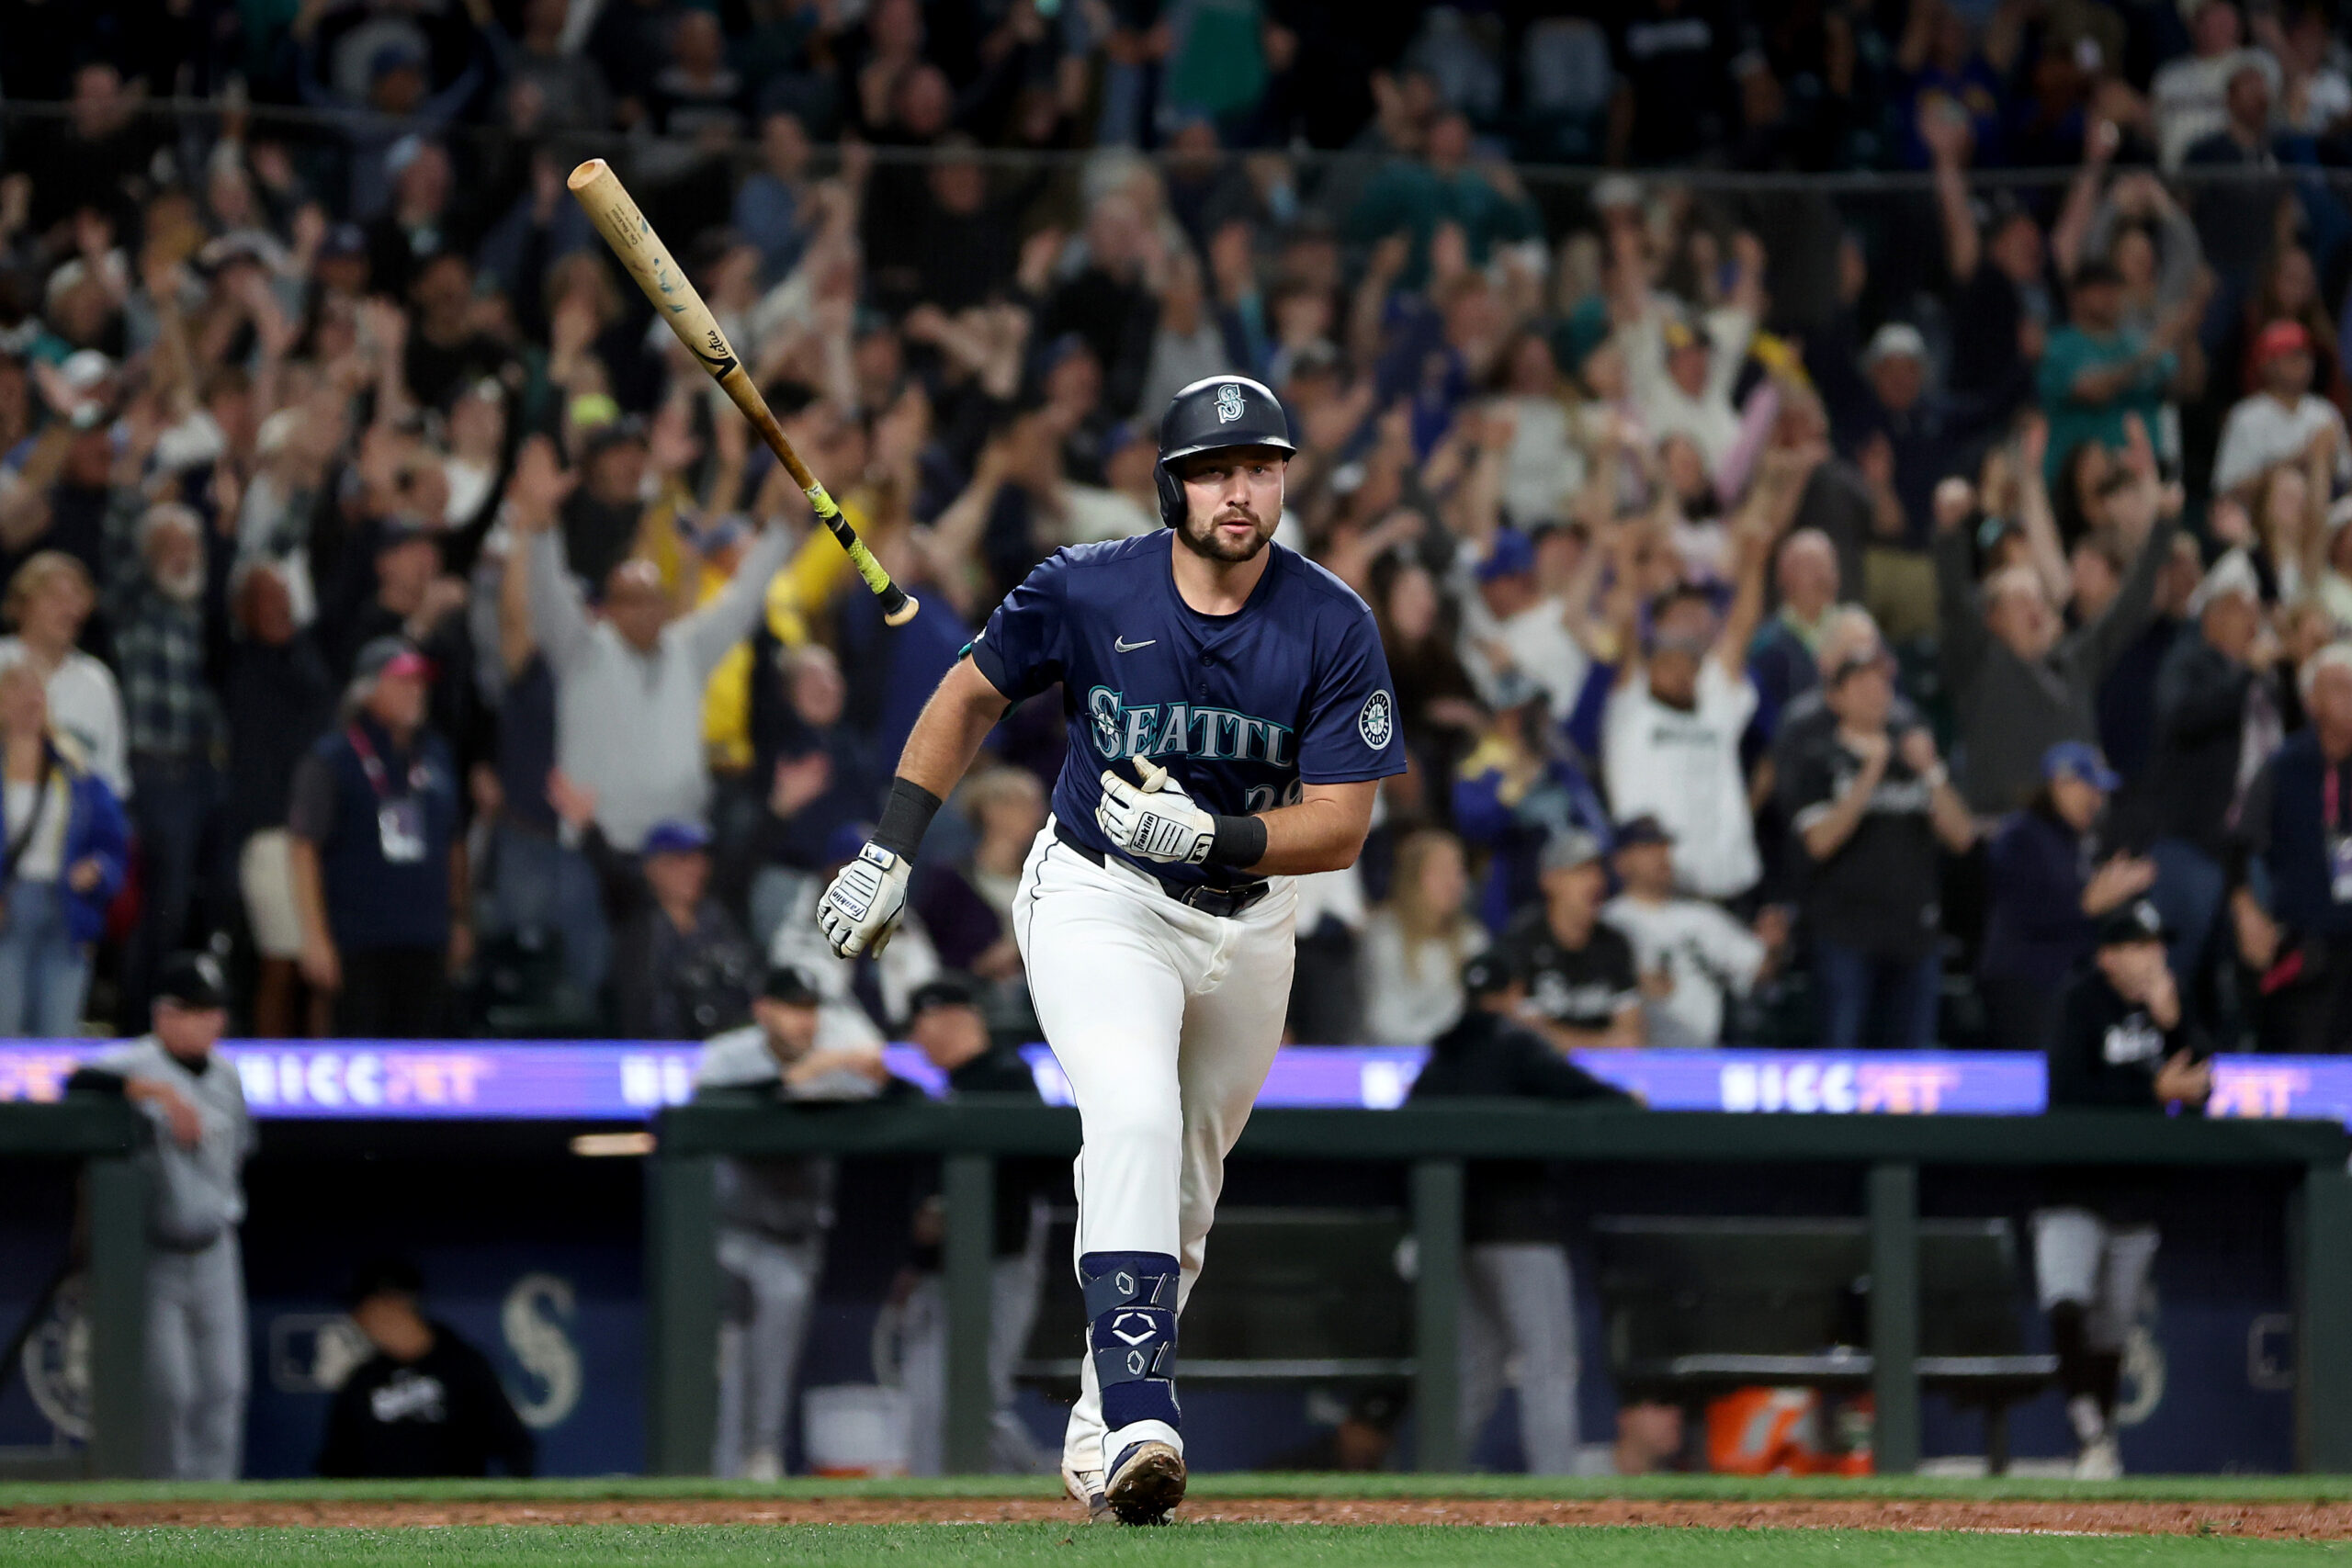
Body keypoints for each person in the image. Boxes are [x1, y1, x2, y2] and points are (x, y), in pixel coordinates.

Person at [817, 375, 1401, 1524]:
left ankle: (1100, 1444)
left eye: (1263, 467)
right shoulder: (1087, 588)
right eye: (1218, 471)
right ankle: (1144, 1410)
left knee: (1181, 1189)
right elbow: (963, 696)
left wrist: (1217, 831)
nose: (1243, 491)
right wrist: (893, 851)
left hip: (1249, 915)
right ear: (1172, 486)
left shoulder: (1332, 619)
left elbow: (1338, 826)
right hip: (1099, 893)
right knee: (1126, 1114)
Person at [1408, 948, 1634, 1473]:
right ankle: (1556, 1490)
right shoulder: (1515, 1044)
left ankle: (1430, 1483)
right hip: (1521, 1231)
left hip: (1454, 1234)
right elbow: (1585, 1093)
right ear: (1513, 995)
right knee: (1548, 1363)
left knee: (1476, 1368)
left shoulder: (1443, 1055)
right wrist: (1630, 1101)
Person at [514, 435, 790, 852]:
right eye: (629, 602)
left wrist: (786, 528)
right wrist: (541, 525)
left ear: (666, 606)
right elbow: (547, 594)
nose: (642, 612)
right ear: (607, 609)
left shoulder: (688, 650)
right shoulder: (581, 649)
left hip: (679, 844)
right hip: (599, 845)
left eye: (651, 600)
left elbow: (744, 600)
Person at [2037, 898, 2211, 1478]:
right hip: (2073, 1183)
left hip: (2136, 1192)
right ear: (2108, 955)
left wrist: (2174, 1025)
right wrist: (2154, 1092)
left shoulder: (2171, 1000)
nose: (2155, 955)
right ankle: (2088, 1428)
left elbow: (2205, 1085)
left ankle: (2099, 1444)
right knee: (2067, 1300)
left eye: (2158, 944)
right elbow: (2069, 1092)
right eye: (2140, 945)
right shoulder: (2079, 1000)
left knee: (2112, 1326)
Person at [694, 964, 888, 1481]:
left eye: (810, 1009)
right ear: (764, 1010)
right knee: (728, 1366)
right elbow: (728, 1102)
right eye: (792, 1008)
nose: (804, 1021)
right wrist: (808, 1072)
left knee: (775, 1361)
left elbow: (884, 1087)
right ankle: (718, 1470)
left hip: (797, 1237)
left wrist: (845, 1066)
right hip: (731, 1232)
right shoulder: (727, 1056)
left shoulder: (831, 1059)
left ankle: (762, 1459)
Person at [66, 953, 253, 1479]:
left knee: (224, 1386)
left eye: (214, 1010)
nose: (209, 1021)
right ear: (164, 1014)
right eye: (195, 1009)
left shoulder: (228, 1076)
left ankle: (218, 1512)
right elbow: (73, 1084)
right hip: (155, 1253)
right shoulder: (134, 1062)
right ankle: (167, 1509)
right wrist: (157, 1094)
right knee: (168, 1391)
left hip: (217, 1249)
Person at [892, 976, 1052, 1477]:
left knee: (977, 1398)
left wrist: (945, 1212)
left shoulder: (1007, 1075)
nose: (915, 1041)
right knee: (926, 1396)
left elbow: (1029, 1176)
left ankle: (1054, 1487)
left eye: (919, 1025)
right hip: (946, 1274)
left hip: (999, 1265)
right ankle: (931, 1507)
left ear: (949, 1018)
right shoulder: (951, 1086)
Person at [1781, 641, 1977, 1049]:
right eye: (1862, 681)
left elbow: (1962, 837)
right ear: (1835, 697)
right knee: (1841, 1062)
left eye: (1882, 680)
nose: (1876, 690)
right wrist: (1871, 770)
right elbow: (1819, 842)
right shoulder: (1818, 756)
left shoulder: (1916, 760)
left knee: (1910, 1072)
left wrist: (1932, 771)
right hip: (1845, 936)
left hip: (1913, 938)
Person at [1602, 491, 1776, 903]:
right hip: (1663, 888)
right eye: (1669, 660)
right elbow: (1626, 624)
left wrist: (1755, 562)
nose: (1682, 670)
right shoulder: (1632, 708)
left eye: (1689, 662)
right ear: (1651, 664)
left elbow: (1739, 632)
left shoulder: (1714, 703)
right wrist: (1625, 561)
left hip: (1733, 882)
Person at [287, 637, 465, 1037]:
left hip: (426, 938)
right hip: (359, 942)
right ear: (367, 690)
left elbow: (454, 841)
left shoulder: (436, 755)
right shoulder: (332, 759)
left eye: (419, 682)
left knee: (423, 1061)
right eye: (402, 682)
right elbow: (303, 848)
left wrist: (458, 918)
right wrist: (314, 938)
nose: (415, 692)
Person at [1979, 743, 2154, 1052]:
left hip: (2064, 983)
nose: (2097, 800)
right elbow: (2025, 911)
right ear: (2062, 783)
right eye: (2090, 788)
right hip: (2023, 982)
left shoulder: (2076, 842)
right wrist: (2087, 903)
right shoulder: (2020, 835)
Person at [2232, 643, 2352, 1051]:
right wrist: (2245, 908)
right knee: (2305, 1058)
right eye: (2340, 687)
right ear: (2311, 700)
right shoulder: (2284, 766)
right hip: (2305, 946)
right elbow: (2237, 843)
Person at [317, 1258, 537, 1478]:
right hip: (383, 1510)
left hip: (456, 1509)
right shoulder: (361, 1380)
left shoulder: (464, 1365)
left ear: (397, 1303)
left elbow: (515, 1446)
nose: (360, 1320)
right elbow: (335, 1465)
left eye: (365, 1308)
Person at [0, 661, 127, 1034]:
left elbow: (113, 846)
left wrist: (99, 869)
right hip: (8, 908)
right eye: (15, 691)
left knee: (57, 1033)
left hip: (66, 907)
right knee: (4, 1032)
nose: (28, 701)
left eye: (35, 691)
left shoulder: (76, 771)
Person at [1601, 815, 1780, 1048]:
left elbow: (1757, 966)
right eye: (1647, 847)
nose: (1660, 855)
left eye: (1664, 846)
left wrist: (1774, 946)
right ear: (1621, 861)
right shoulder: (1608, 921)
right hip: (1636, 1060)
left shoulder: (1701, 916)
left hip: (1702, 1055)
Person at [1496, 829, 1645, 1052]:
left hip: (1601, 1077)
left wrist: (1565, 1040)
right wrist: (1603, 1043)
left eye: (1598, 871)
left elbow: (1632, 1036)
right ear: (1550, 880)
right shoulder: (1522, 942)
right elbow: (1526, 1034)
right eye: (1580, 871)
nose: (1595, 882)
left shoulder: (1614, 943)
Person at [0, 551, 127, 797]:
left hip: (74, 826)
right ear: (22, 603)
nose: (70, 609)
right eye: (55, 597)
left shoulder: (97, 681)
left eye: (77, 598)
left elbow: (112, 778)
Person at [1361, 826, 1487, 1046]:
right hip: (1390, 1054)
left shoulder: (1473, 940)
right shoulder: (1383, 936)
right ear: (1412, 877)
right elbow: (1383, 1020)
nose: (1452, 882)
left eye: (1458, 870)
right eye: (1440, 871)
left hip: (1454, 1060)